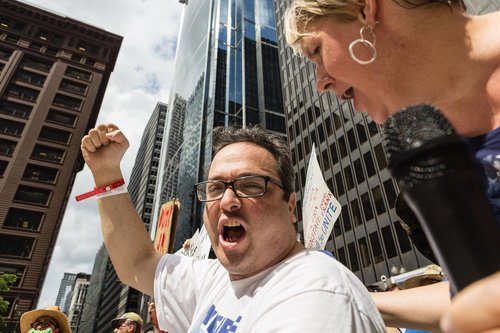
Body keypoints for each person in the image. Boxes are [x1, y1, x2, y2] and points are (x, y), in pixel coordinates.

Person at [284, 0, 500, 331]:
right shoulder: (423, 140)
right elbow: (477, 293)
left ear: (364, 8)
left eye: (316, 50)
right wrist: (347, 298)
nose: (320, 83)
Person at [80, 124, 386, 332]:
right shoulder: (215, 279)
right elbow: (137, 263)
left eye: (250, 185)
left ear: (290, 207)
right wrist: (106, 174)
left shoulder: (315, 293)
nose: (227, 201)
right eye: (214, 188)